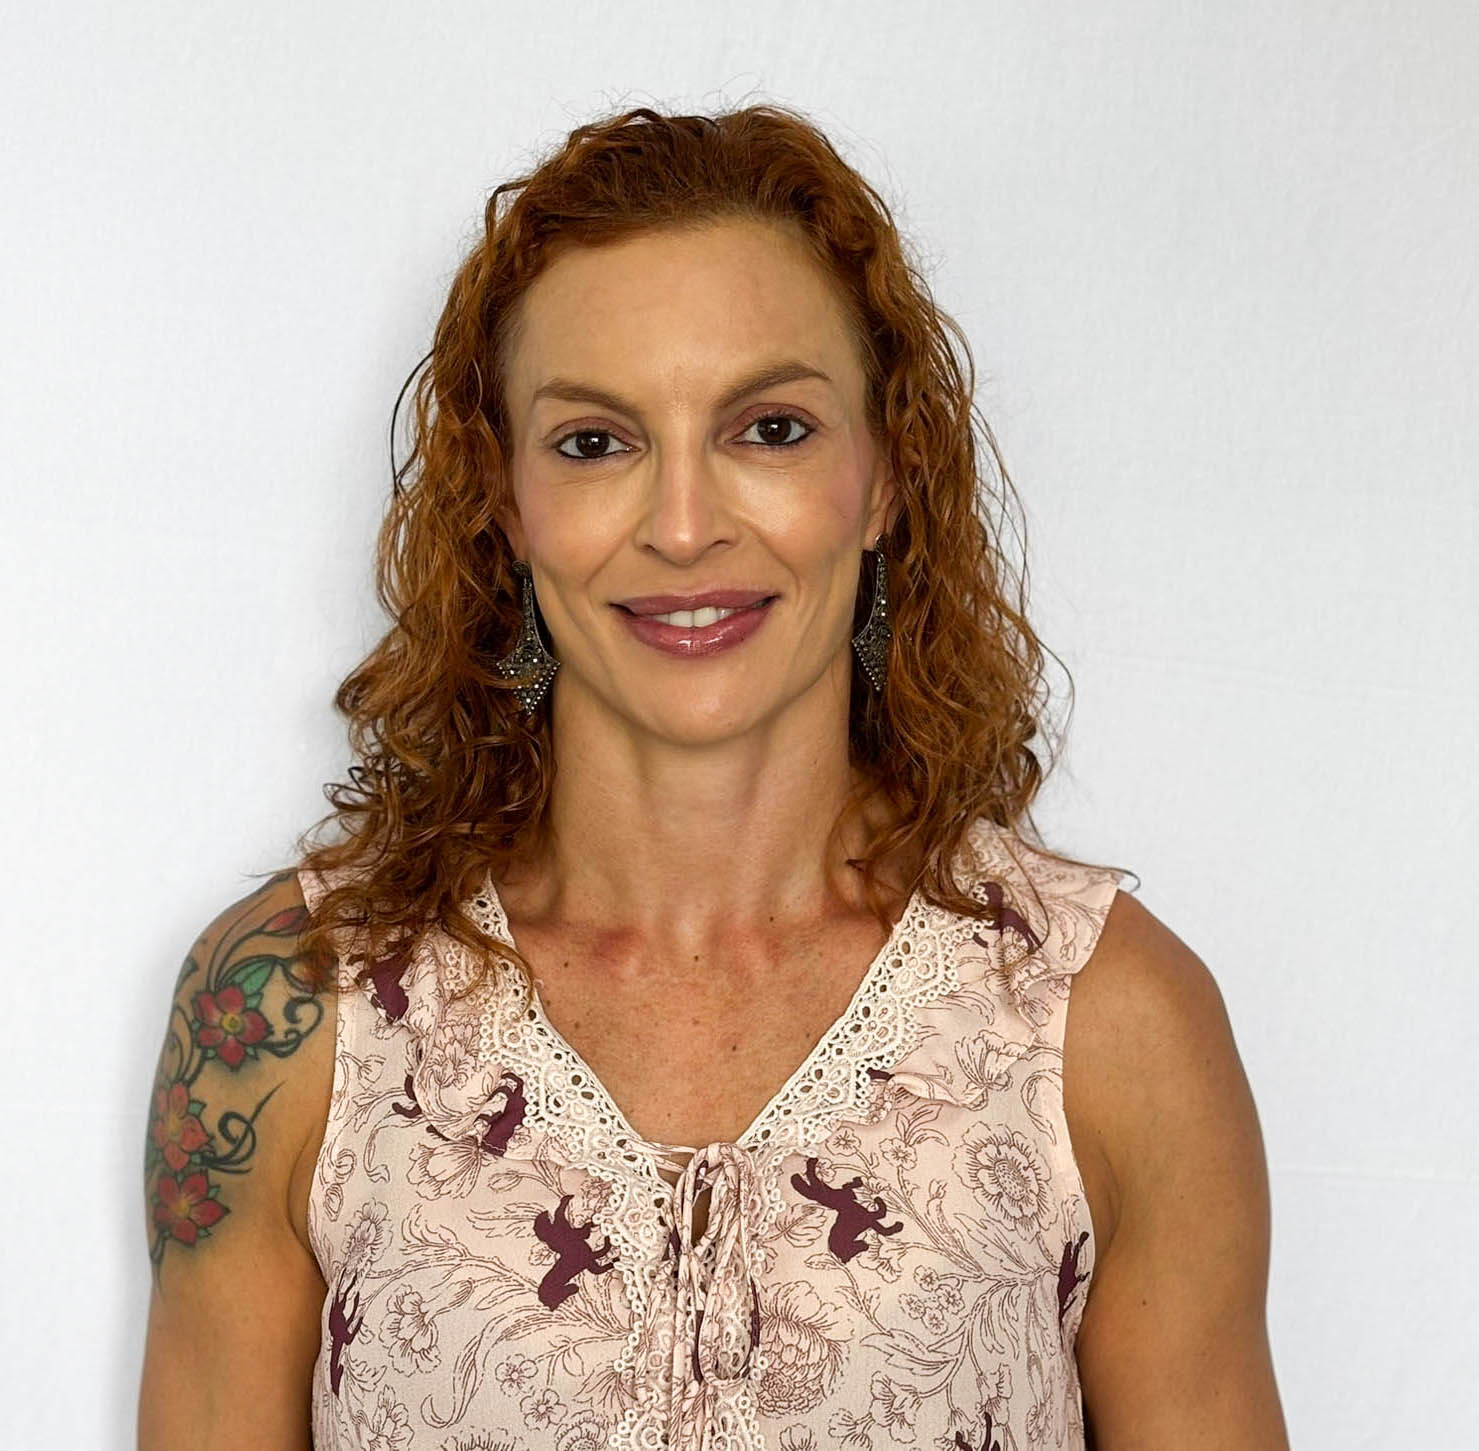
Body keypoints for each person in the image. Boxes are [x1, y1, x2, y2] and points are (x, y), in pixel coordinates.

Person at [137, 105, 1290, 1451]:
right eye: (594, 442)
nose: (683, 528)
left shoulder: (1109, 1024)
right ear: (504, 501)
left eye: (771, 429)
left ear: (887, 475)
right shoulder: (289, 1012)